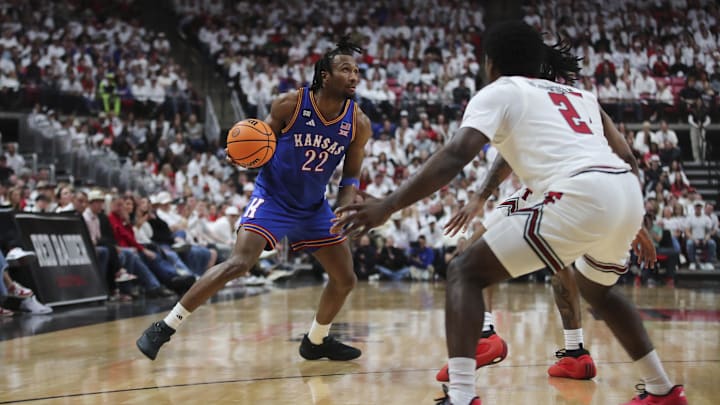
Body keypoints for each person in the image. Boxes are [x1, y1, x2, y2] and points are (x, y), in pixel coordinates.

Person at [333, 21, 686, 405]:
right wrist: (635, 220)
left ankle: (463, 394)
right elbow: (629, 157)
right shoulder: (581, 95)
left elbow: (455, 156)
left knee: (464, 270)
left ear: (490, 63)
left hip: (577, 190)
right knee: (598, 292)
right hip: (624, 191)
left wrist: (387, 205)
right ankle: (662, 389)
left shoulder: (500, 91)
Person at [137, 37, 372, 362]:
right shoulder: (290, 104)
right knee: (239, 263)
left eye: (357, 71)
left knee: (345, 278)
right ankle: (164, 327)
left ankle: (316, 341)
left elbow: (350, 177)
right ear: (325, 76)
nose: (354, 76)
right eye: (346, 69)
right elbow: (260, 141)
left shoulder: (358, 123)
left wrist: (345, 207)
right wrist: (246, 155)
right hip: (273, 198)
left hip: (314, 207)